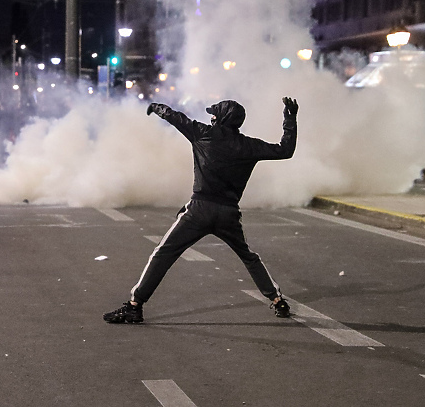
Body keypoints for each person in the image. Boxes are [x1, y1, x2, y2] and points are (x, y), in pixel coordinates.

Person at [103, 97, 298, 324]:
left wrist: (156, 107)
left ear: (221, 118)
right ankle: (277, 300)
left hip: (199, 210)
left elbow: (175, 117)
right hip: (229, 214)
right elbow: (285, 150)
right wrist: (290, 118)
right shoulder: (249, 146)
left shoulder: (203, 133)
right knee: (249, 257)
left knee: (163, 254)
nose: (211, 118)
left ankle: (134, 306)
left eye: (214, 114)